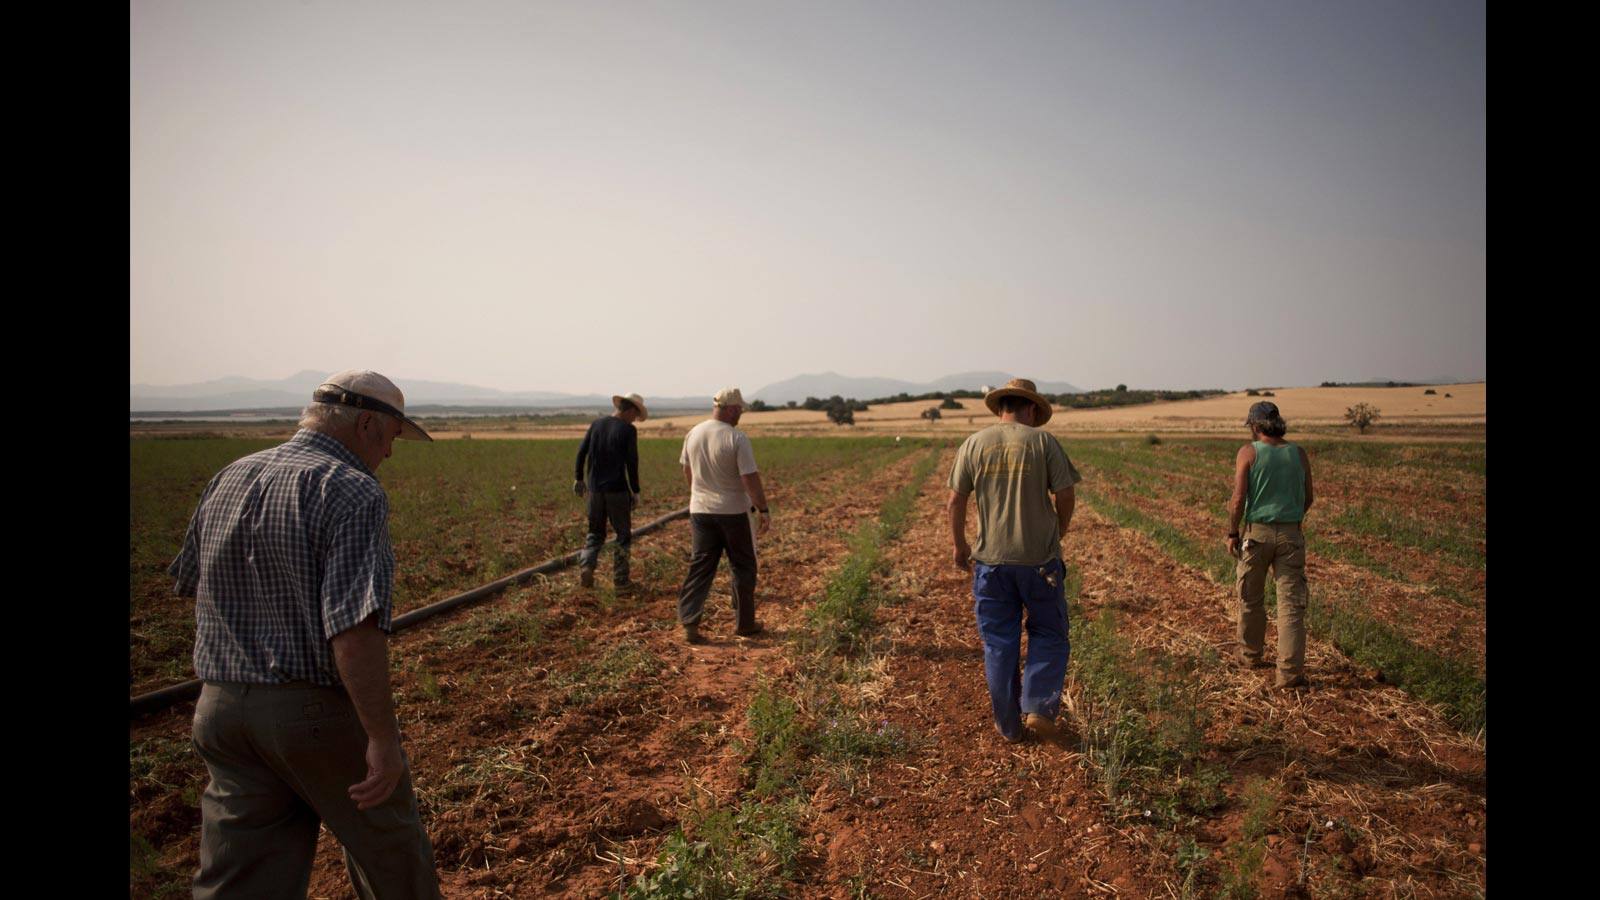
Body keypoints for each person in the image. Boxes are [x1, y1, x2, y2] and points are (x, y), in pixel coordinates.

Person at [169, 370, 442, 900]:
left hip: (220, 711)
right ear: (367, 423)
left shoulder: (230, 475)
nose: (389, 453)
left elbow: (192, 588)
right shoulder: (351, 489)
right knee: (391, 858)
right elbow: (353, 630)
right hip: (309, 715)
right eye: (390, 437)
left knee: (239, 878)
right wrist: (383, 740)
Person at [948, 378, 1081, 744]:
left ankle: (1009, 727)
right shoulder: (1043, 442)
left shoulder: (974, 443)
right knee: (1049, 633)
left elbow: (955, 501)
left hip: (990, 563)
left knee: (999, 643)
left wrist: (960, 546)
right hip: (1040, 561)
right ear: (1032, 409)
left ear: (1002, 407)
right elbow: (1066, 493)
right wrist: (1060, 529)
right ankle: (1038, 705)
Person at [1226, 400, 1315, 690]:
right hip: (1291, 537)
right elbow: (1308, 497)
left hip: (1257, 535)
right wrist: (1290, 518)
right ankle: (1289, 676)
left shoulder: (1248, 452)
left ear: (1255, 425)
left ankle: (1250, 656)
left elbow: (1238, 500)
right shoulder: (1298, 454)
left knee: (1251, 599)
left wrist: (1232, 533)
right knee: (1290, 607)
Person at [676, 387, 770, 644]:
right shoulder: (736, 438)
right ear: (729, 408)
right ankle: (745, 624)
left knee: (701, 566)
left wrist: (699, 495)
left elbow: (688, 471)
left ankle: (690, 622)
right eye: (739, 409)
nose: (741, 414)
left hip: (700, 511)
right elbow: (749, 478)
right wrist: (762, 508)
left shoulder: (693, 433)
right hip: (733, 512)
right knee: (742, 565)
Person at [574, 393, 647, 589]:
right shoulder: (628, 430)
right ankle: (621, 582)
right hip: (617, 490)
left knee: (594, 533)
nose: (635, 420)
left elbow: (581, 452)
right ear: (630, 410)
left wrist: (579, 478)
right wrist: (636, 490)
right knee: (623, 536)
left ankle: (587, 566)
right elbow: (632, 462)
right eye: (635, 415)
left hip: (595, 490)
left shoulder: (596, 424)